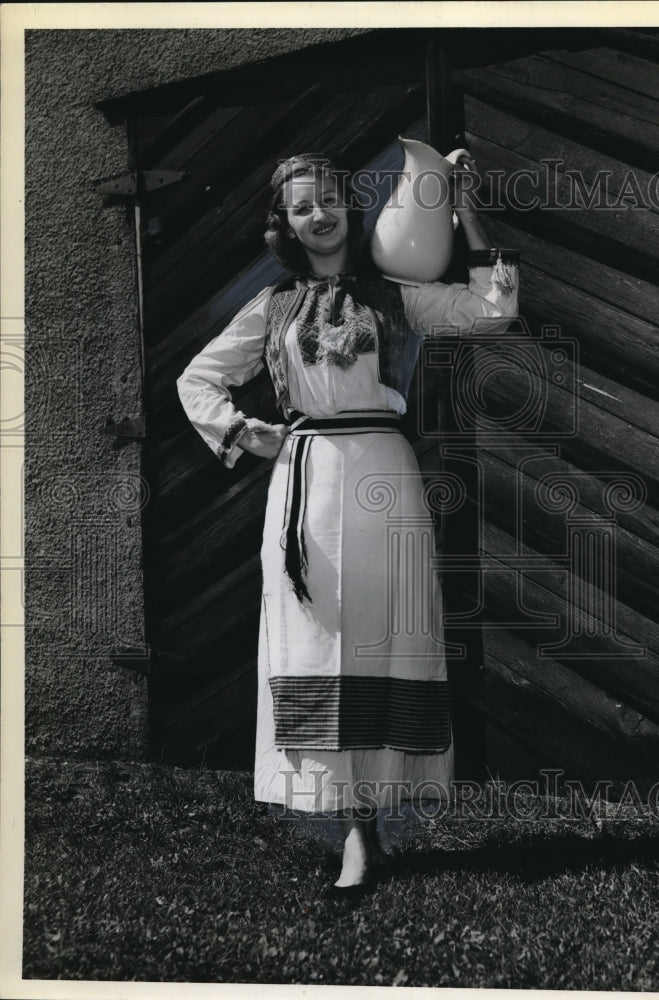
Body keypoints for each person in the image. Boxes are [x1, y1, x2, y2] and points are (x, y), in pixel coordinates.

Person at [177, 148, 519, 896]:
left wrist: (462, 205)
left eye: (329, 199)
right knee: (321, 637)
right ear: (287, 223)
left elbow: (496, 310)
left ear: (347, 207)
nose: (320, 214)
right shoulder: (271, 307)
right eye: (303, 206)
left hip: (384, 481)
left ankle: (379, 820)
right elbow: (196, 377)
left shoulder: (397, 297)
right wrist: (243, 430)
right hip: (308, 486)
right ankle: (356, 834)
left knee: (384, 633)